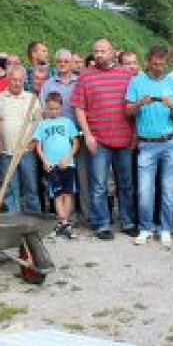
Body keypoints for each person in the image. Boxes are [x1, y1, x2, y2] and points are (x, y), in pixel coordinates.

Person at [71, 38, 135, 240]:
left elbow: (133, 106)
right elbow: (78, 107)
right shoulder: (85, 76)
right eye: (96, 51)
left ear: (113, 52)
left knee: (125, 183)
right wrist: (87, 135)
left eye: (102, 51)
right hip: (98, 140)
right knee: (98, 185)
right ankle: (102, 224)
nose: (98, 54)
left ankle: (128, 221)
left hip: (124, 139)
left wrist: (135, 134)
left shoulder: (127, 74)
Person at [125, 46, 173, 247]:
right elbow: (127, 112)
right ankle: (145, 228)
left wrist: (172, 106)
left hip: (170, 142)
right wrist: (140, 103)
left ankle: (165, 229)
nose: (159, 68)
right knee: (145, 190)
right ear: (147, 61)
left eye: (162, 64)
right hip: (146, 144)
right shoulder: (136, 82)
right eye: (155, 64)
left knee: (168, 189)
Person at [0, 65, 42, 213]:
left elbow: (39, 123)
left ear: (24, 81)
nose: (16, 83)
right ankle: (13, 221)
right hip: (6, 153)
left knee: (31, 188)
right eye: (13, 80)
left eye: (20, 80)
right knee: (9, 190)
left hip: (26, 151)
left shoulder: (32, 99)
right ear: (8, 79)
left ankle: (33, 222)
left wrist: (34, 141)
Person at [33, 92, 80, 238]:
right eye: (50, 109)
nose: (53, 112)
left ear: (61, 107)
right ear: (46, 108)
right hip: (51, 166)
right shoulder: (43, 124)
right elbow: (38, 146)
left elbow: (76, 143)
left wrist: (68, 157)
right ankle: (64, 223)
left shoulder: (67, 122)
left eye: (56, 109)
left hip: (67, 164)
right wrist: (44, 161)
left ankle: (63, 223)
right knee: (57, 195)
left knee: (68, 194)